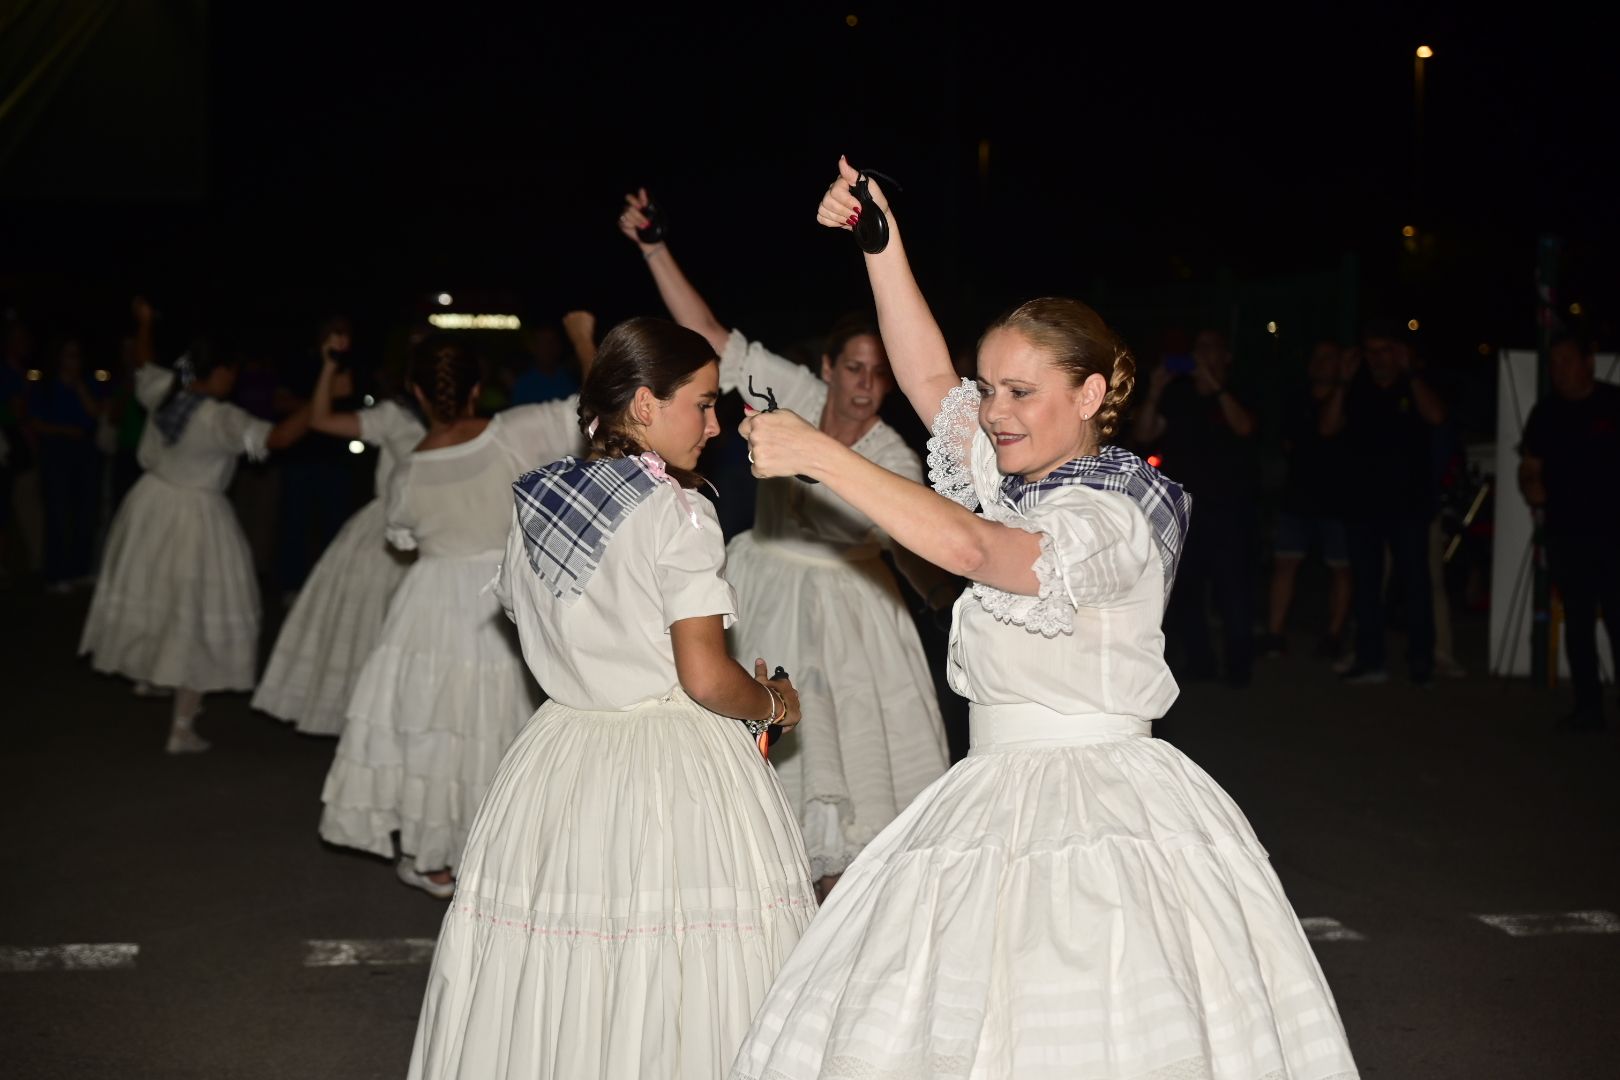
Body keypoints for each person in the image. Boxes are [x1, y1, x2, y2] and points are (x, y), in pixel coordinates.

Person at [726, 159, 1358, 1080]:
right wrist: (879, 239)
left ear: (1091, 395)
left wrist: (824, 456)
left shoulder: (1113, 514)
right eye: (991, 389)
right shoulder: (1019, 475)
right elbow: (926, 373)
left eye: (1021, 392)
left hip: (1096, 798)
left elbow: (975, 551)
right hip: (991, 784)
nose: (994, 412)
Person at [407, 316, 815, 1080]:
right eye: (703, 404)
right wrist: (774, 702)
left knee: (563, 958)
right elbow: (704, 676)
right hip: (669, 763)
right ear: (645, 404)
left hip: (561, 753)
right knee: (680, 960)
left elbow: (534, 618)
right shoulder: (678, 511)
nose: (715, 425)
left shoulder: (534, 501)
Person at [619, 188, 950, 899]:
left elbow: (913, 541)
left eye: (880, 373)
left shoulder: (892, 454)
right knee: (739, 726)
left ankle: (843, 896)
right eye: (854, 368)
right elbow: (708, 336)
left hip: (852, 610)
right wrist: (654, 248)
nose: (866, 385)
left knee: (847, 752)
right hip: (764, 583)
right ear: (828, 368)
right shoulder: (792, 391)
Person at [319, 336, 585, 897]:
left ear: (417, 394)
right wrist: (584, 336)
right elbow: (600, 402)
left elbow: (402, 537)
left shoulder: (409, 470)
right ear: (476, 387)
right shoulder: (516, 431)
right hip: (502, 598)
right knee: (500, 720)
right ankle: (501, 855)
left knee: (435, 728)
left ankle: (435, 858)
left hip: (429, 604)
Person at [79, 299, 311, 752]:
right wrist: (319, 402)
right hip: (196, 515)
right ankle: (181, 726)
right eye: (231, 373)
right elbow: (279, 437)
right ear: (219, 372)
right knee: (197, 611)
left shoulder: (166, 391)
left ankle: (151, 674)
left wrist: (144, 323)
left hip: (150, 505)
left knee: (157, 592)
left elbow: (143, 362)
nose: (234, 380)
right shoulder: (220, 417)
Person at [251, 340, 426, 735]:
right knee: (369, 628)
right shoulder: (393, 415)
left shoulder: (458, 424)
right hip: (384, 532)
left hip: (435, 532)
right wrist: (329, 370)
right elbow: (320, 420)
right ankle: (366, 722)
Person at [1322, 320, 1447, 685]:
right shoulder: (1356, 387)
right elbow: (1327, 428)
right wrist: (1342, 382)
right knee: (1366, 585)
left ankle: (1422, 660)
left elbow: (1437, 416)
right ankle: (1370, 659)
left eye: (1385, 350)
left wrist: (1412, 374)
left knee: (1415, 583)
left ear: (1400, 352)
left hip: (1409, 504)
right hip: (1362, 505)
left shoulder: (1414, 384)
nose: (1378, 359)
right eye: (1371, 352)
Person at [1133, 328, 1259, 685]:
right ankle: (1200, 662)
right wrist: (1155, 391)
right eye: (1198, 348)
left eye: (1210, 347)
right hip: (1183, 513)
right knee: (1186, 591)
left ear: (1226, 355)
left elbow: (1245, 428)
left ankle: (1239, 666)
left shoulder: (1240, 390)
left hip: (1229, 510)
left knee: (1233, 590)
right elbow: (1143, 435)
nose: (1202, 354)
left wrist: (1215, 385)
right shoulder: (1178, 394)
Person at [1519, 332, 1620, 729]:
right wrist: (1532, 487)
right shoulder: (1546, 413)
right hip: (1567, 532)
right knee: (1577, 621)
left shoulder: (1613, 403)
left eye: (1567, 361)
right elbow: (1530, 465)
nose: (1559, 371)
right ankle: (1588, 706)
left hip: (1613, 533)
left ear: (1588, 362)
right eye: (1554, 364)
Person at [1260, 340, 1353, 660]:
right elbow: (1287, 443)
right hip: (1298, 496)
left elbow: (1329, 428)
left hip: (1338, 501)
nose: (1320, 363)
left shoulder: (1350, 398)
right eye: (1317, 357)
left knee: (1341, 568)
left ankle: (1334, 635)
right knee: (1285, 563)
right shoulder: (1296, 398)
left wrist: (1342, 386)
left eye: (1329, 358)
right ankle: (1275, 634)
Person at [273, 315, 358, 602]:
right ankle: (291, 585)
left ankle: (333, 587)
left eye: (345, 333)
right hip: (301, 455)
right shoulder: (301, 362)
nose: (340, 339)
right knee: (294, 524)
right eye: (335, 332)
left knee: (337, 527)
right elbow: (279, 401)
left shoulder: (350, 366)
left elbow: (359, 405)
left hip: (336, 459)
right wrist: (320, 399)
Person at [30, 337, 105, 592]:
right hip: (57, 453)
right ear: (59, 358)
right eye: (69, 355)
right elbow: (35, 422)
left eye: (77, 355)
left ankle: (80, 569)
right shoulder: (46, 387)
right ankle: (56, 573)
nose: (74, 361)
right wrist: (63, 431)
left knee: (86, 513)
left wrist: (80, 387)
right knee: (59, 513)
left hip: (85, 453)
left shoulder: (89, 383)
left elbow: (96, 413)